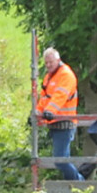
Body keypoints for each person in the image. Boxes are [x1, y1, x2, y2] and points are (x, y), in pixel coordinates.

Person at [35, 47, 82, 182]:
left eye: (51, 62)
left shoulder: (66, 75)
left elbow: (60, 96)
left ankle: (80, 183)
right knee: (61, 159)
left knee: (60, 160)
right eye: (46, 63)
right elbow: (44, 98)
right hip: (55, 123)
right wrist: (37, 113)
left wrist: (50, 111)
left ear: (58, 60)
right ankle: (77, 185)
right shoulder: (49, 77)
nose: (48, 65)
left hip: (65, 122)